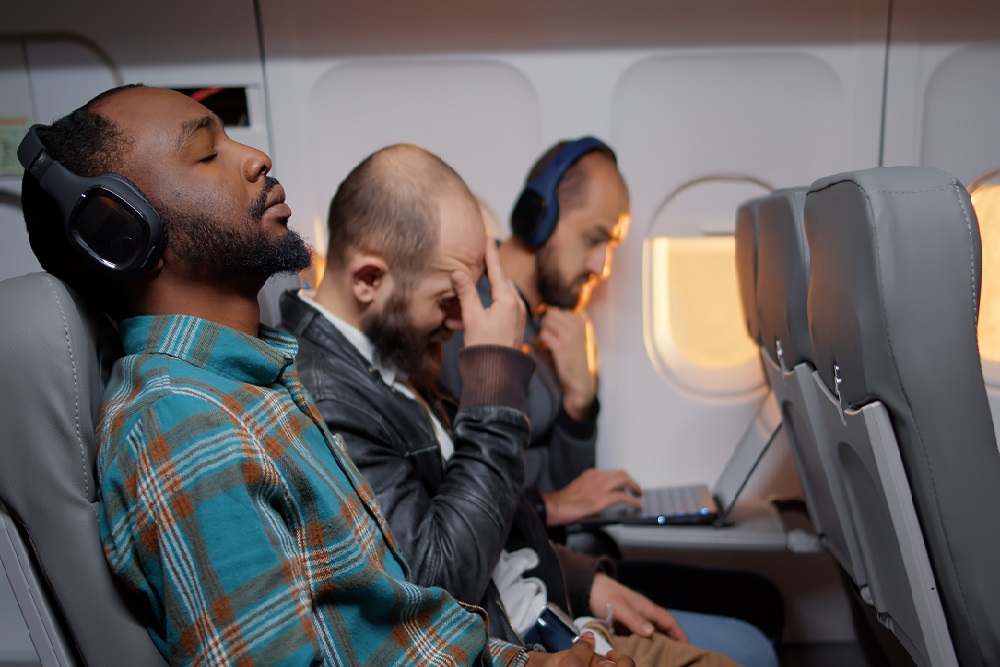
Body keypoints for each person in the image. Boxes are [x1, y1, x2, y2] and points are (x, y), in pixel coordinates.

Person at [20, 84, 633, 667]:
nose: (257, 158)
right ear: (121, 231)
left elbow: (399, 629)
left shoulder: (259, 383)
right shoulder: (184, 425)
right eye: (207, 152)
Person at [281, 143, 776, 667]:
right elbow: (439, 582)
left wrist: (582, 580)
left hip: (547, 609)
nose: (456, 323)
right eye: (446, 299)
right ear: (368, 280)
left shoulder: (390, 353)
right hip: (518, 641)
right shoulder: (328, 396)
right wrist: (495, 373)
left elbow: (493, 522)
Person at [439, 138, 786, 643]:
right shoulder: (466, 321)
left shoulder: (556, 327)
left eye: (612, 247)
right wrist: (551, 505)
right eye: (594, 238)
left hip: (562, 548)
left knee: (764, 601)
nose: (601, 265)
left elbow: (570, 482)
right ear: (539, 216)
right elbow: (460, 489)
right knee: (753, 619)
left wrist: (582, 400)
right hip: (520, 566)